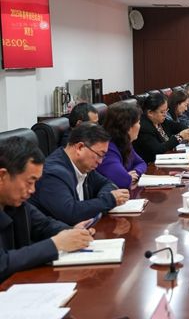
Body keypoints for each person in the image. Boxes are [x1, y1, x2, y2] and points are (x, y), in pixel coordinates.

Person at [0, 137, 95, 282]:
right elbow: (2, 263)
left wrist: (71, 232)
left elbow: (44, 225)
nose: (32, 190)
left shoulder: (17, 203)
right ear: (2, 176)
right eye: (29, 182)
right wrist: (56, 244)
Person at [30, 123, 130, 225]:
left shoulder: (84, 167)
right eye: (99, 155)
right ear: (80, 147)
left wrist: (103, 198)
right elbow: (70, 214)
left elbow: (108, 183)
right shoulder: (52, 174)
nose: (100, 162)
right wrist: (108, 200)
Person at [133, 92, 189, 163]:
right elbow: (158, 149)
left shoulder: (160, 121)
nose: (165, 114)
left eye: (166, 111)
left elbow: (177, 126)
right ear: (150, 113)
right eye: (162, 112)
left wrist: (188, 132)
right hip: (151, 165)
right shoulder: (144, 127)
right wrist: (180, 137)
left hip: (165, 159)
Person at [96, 101, 147, 189]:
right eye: (138, 122)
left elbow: (141, 163)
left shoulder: (124, 142)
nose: (140, 126)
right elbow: (122, 180)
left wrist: (135, 172)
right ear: (128, 127)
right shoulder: (107, 147)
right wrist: (128, 177)